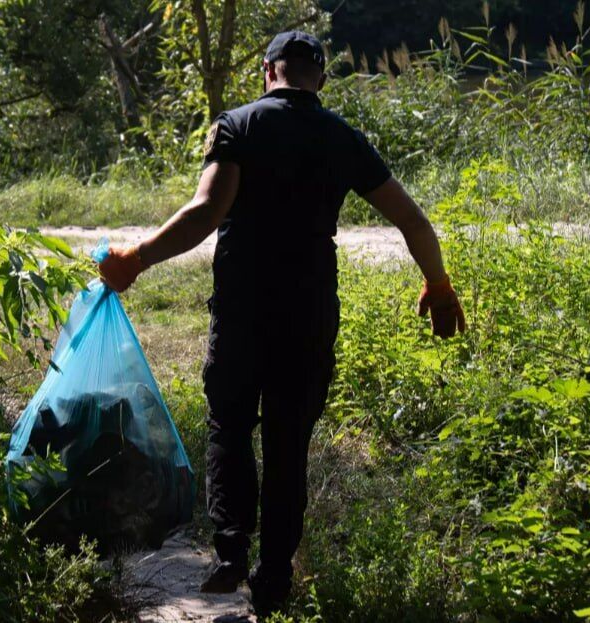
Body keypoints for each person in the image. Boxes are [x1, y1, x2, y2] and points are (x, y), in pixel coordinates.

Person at [98, 30, 466, 616]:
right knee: (289, 442)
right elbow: (413, 221)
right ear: (319, 78)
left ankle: (230, 552)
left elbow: (206, 211)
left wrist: (135, 260)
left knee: (230, 423)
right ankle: (273, 583)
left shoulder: (238, 125)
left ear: (267, 71)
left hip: (244, 309)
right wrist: (440, 287)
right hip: (310, 313)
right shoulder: (343, 137)